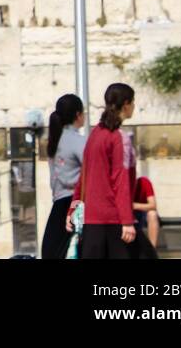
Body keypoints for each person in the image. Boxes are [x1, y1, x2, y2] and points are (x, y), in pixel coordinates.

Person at [67, 83, 136, 258]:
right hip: (114, 219)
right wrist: (127, 221)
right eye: (133, 102)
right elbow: (121, 180)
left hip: (92, 219)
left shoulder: (95, 134)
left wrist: (73, 209)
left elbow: (84, 177)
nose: (134, 106)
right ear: (126, 104)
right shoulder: (119, 138)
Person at [41, 93, 85, 259]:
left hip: (58, 203)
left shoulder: (54, 139)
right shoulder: (78, 141)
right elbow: (91, 171)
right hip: (76, 203)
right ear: (77, 115)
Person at [133, 173, 160, 257]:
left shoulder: (144, 182)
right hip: (129, 214)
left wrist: (133, 205)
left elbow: (153, 205)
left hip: (143, 213)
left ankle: (152, 252)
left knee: (152, 214)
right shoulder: (121, 184)